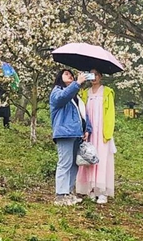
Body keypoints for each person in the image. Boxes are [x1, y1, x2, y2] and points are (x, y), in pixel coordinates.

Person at [50, 69, 91, 207]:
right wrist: (77, 83)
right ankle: (60, 195)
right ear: (60, 77)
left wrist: (87, 129)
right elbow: (61, 98)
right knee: (65, 163)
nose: (70, 76)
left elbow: (83, 114)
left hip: (77, 133)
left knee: (74, 165)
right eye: (66, 74)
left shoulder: (76, 96)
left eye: (71, 75)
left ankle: (68, 192)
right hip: (64, 132)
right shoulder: (57, 91)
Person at [76, 69, 116, 204]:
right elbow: (82, 111)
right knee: (88, 158)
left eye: (97, 75)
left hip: (102, 131)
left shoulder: (107, 92)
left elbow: (110, 113)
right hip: (89, 131)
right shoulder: (85, 93)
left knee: (102, 159)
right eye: (91, 75)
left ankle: (102, 191)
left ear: (101, 76)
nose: (94, 78)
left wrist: (108, 132)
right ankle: (90, 189)